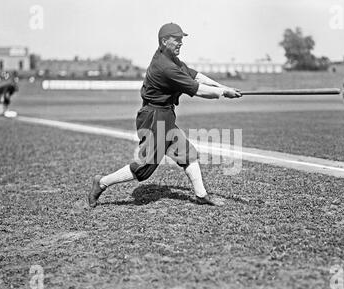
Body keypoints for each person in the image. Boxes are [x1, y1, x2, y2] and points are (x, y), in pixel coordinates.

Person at [88, 22, 242, 208]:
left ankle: (201, 195)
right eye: (176, 39)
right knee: (144, 168)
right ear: (164, 41)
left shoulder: (169, 58)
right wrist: (223, 93)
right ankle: (102, 182)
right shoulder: (165, 67)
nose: (181, 43)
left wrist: (223, 87)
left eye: (181, 39)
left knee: (187, 154)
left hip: (165, 115)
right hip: (154, 117)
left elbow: (196, 76)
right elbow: (199, 90)